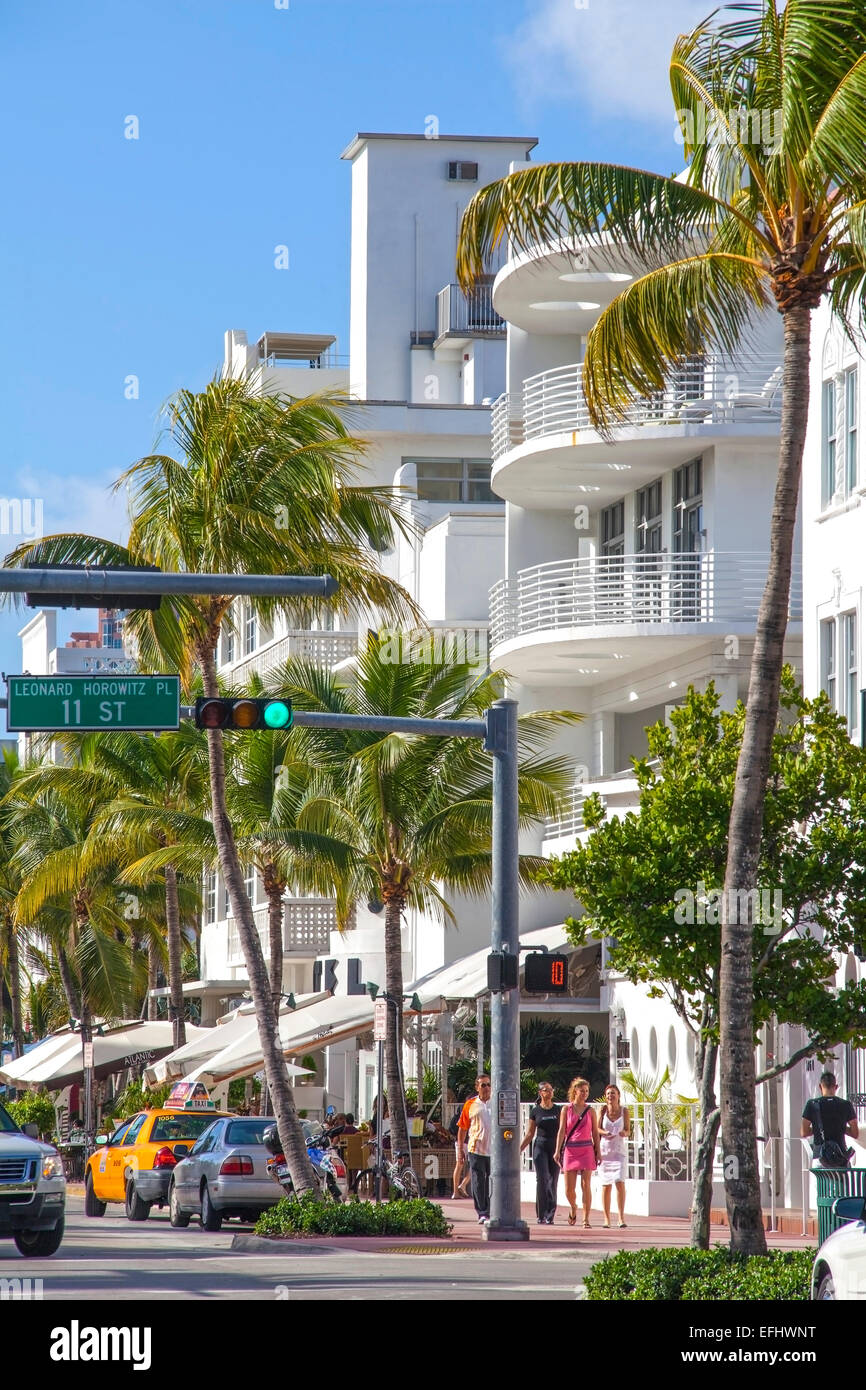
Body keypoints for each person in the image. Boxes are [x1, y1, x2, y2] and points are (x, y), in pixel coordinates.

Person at [554, 1077, 600, 1228]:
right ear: (575, 1091)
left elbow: (594, 1132)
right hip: (570, 1149)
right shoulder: (566, 1110)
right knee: (569, 1189)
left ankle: (586, 1219)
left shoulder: (590, 1110)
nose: (585, 1094)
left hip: (586, 1148)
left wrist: (598, 1151)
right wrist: (557, 1150)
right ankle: (573, 1206)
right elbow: (562, 1131)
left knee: (586, 1185)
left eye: (587, 1091)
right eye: (582, 1091)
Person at [520, 1082, 561, 1224]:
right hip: (540, 1146)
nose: (549, 1092)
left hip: (555, 1146)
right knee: (542, 1179)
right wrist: (520, 1149)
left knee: (553, 1180)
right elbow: (530, 1133)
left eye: (551, 1089)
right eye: (546, 1090)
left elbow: (563, 1131)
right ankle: (541, 1214)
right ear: (540, 1093)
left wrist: (562, 1148)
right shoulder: (535, 1111)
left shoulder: (558, 1110)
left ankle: (551, 1214)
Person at [801, 1072, 859, 1167]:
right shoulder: (846, 1105)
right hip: (841, 1156)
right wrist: (841, 1127)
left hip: (820, 1156)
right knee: (842, 1182)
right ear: (836, 1087)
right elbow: (855, 1133)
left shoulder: (812, 1104)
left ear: (820, 1086)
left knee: (821, 1182)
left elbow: (804, 1132)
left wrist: (817, 1129)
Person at [458, 1075, 492, 1223]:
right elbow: (462, 1129)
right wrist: (460, 1149)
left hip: (494, 1150)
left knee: (492, 1181)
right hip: (475, 1148)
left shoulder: (497, 1102)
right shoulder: (470, 1104)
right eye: (483, 1085)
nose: (486, 1088)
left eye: (488, 1085)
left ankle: (491, 1209)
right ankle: (482, 1212)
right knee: (478, 1181)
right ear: (477, 1087)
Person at [597, 1083, 630, 1228]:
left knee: (619, 1182)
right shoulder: (602, 1110)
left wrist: (624, 1133)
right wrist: (605, 1133)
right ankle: (606, 1218)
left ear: (618, 1096)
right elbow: (596, 1128)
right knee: (606, 1186)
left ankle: (621, 1218)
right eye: (608, 1093)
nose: (610, 1096)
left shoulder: (624, 1111)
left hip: (619, 1152)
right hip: (605, 1151)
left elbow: (629, 1130)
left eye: (613, 1093)